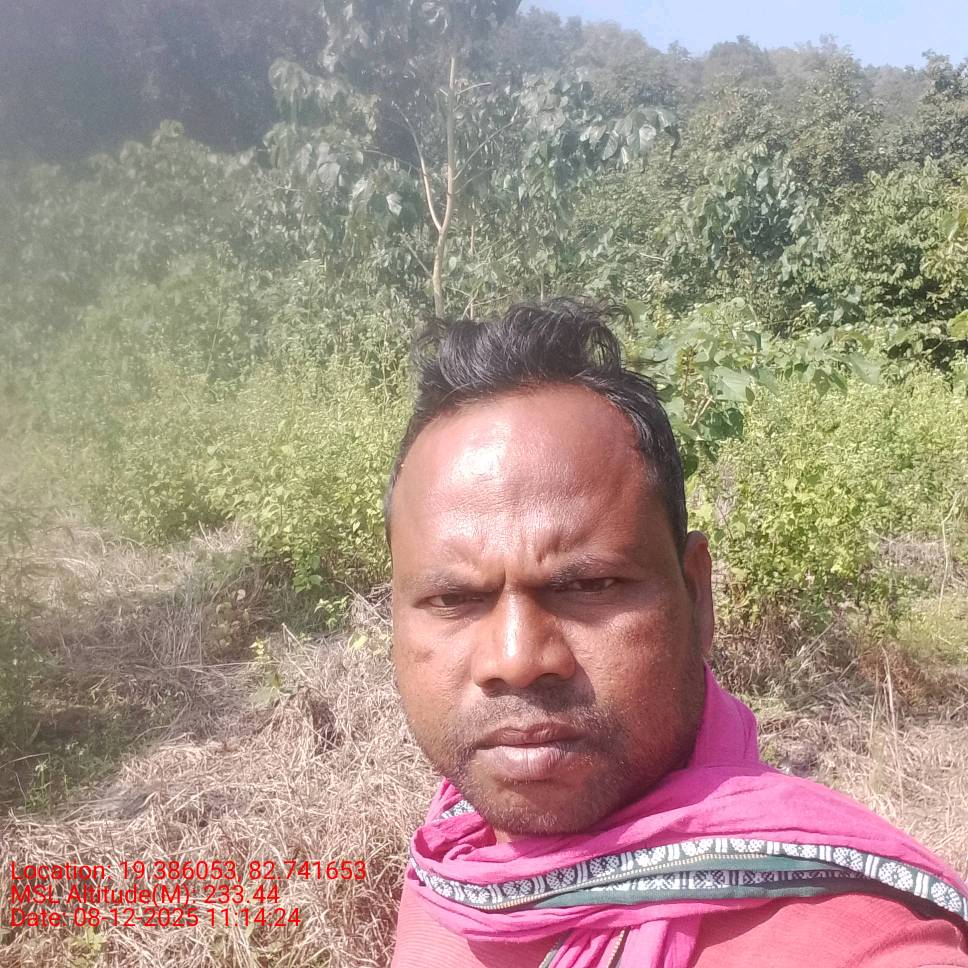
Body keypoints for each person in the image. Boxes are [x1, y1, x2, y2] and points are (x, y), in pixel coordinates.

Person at [385, 301, 968, 967]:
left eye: (589, 585)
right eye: (453, 598)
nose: (516, 659)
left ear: (696, 597)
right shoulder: (454, 853)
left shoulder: (861, 942)